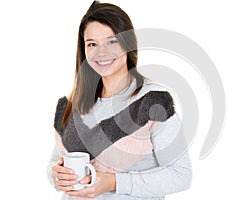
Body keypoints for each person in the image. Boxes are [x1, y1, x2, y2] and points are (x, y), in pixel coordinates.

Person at [47, 1, 192, 199]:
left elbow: (181, 175)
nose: (101, 52)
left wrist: (114, 182)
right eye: (92, 44)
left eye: (112, 41)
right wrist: (54, 175)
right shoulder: (76, 104)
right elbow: (55, 162)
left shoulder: (153, 103)